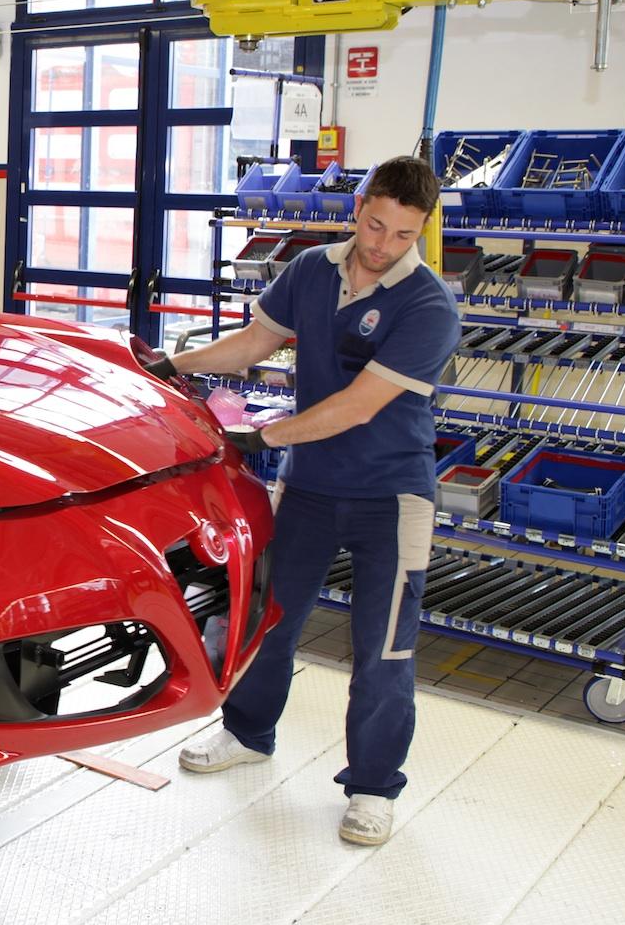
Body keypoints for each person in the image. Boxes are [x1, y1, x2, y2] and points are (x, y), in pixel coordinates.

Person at [144, 155, 460, 846]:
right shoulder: (312, 268)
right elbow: (256, 342)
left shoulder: (429, 305)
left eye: (403, 234)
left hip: (392, 496)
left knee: (384, 647)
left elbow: (358, 404)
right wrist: (173, 364)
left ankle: (374, 786)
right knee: (271, 619)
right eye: (376, 225)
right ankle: (249, 733)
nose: (382, 245)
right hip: (312, 486)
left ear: (421, 232)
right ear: (359, 209)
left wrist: (262, 435)